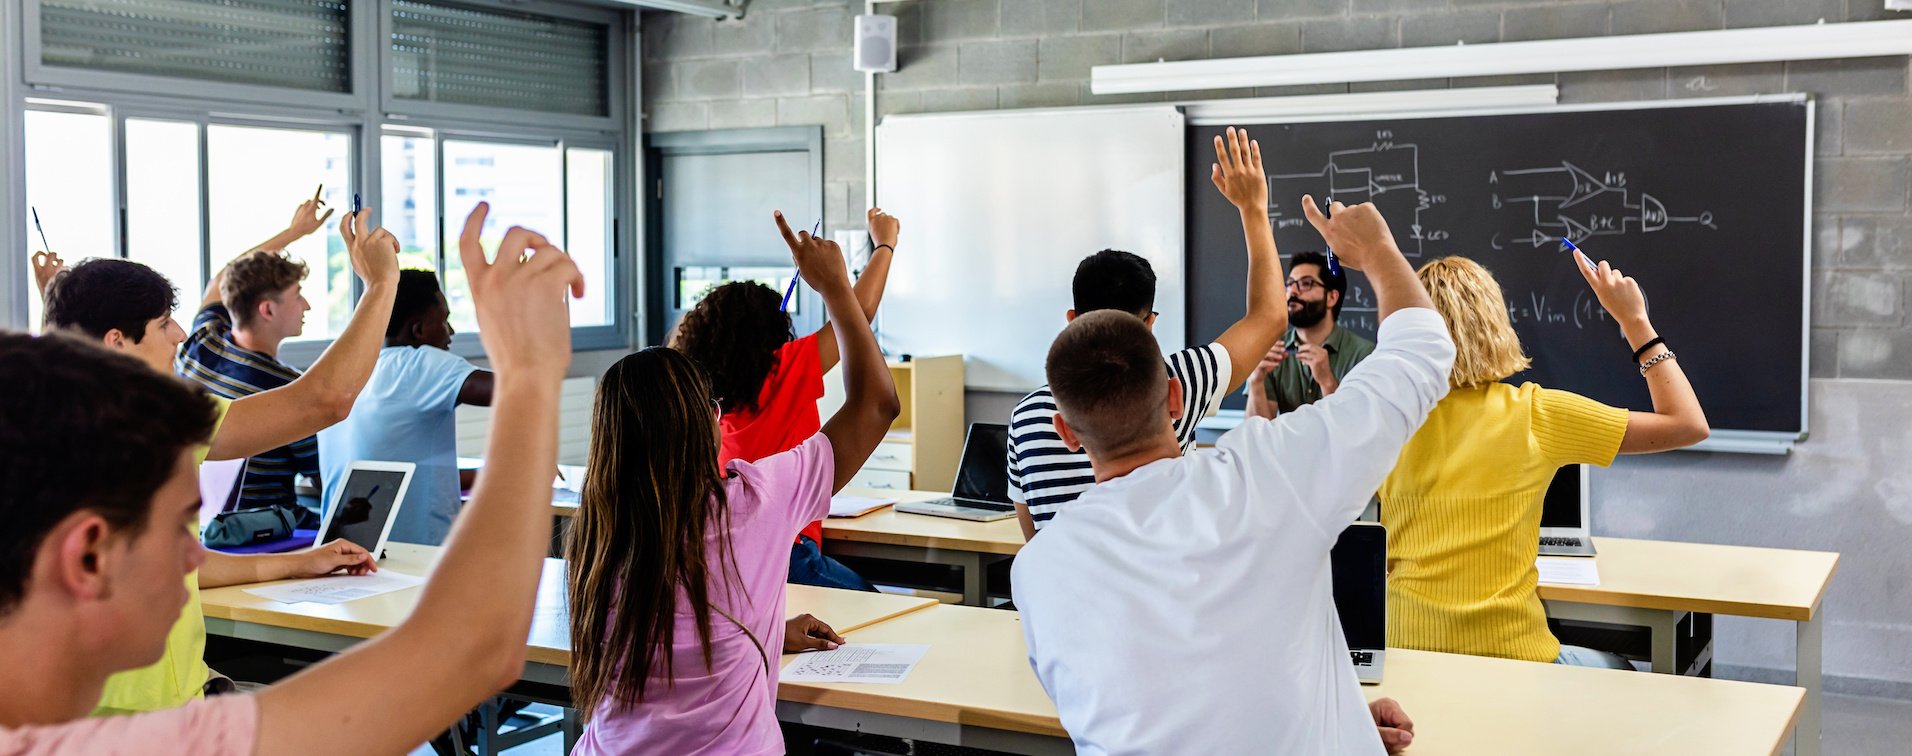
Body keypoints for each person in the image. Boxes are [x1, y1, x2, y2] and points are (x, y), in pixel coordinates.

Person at [0, 201, 590, 754]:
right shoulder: (146, 740)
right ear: (86, 558)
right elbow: (473, 648)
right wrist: (530, 371)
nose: (193, 557)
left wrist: (294, 562)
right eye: (180, 528)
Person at [1011, 173, 1451, 754]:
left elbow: (1165, 707)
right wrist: (1377, 251)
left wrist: (1331, 707)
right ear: (1175, 396)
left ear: (1065, 432)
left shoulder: (1039, 571)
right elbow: (1420, 353)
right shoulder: (1265, 478)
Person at [36, 210, 400, 714]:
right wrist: (382, 283)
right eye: (162, 324)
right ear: (116, 343)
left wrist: (297, 563)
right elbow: (326, 401)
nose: (180, 334)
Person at [567, 211, 898, 755]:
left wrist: (763, 629)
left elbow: (676, 623)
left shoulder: (597, 535)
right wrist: (839, 281)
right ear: (704, 420)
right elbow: (876, 402)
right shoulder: (753, 502)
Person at [1379, 253, 1708, 669]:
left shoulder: (1385, 420)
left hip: (1406, 654)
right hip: (1510, 658)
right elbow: (1687, 425)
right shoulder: (1535, 413)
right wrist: (1635, 323)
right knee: (1622, 671)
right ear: (1494, 325)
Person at [1006, 127, 1287, 540]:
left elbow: (1034, 539)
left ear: (1072, 318)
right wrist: (1253, 210)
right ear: (1150, 324)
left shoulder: (1026, 416)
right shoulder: (1176, 384)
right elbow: (1269, 316)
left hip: (1068, 600)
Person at [670, 208, 900, 591]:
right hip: (789, 552)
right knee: (884, 609)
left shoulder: (699, 389)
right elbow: (861, 312)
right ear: (773, 335)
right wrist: (885, 245)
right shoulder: (783, 368)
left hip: (730, 558)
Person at [174, 195, 335, 518]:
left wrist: (295, 232)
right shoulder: (289, 389)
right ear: (267, 309)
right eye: (298, 296)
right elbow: (324, 480)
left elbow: (223, 279)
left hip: (200, 525)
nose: (307, 306)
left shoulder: (202, 342)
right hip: (262, 534)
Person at [318, 270, 493, 545]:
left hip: (344, 554)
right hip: (416, 559)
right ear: (418, 329)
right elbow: (513, 388)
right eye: (445, 321)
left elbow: (401, 471)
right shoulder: (417, 365)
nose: (451, 333)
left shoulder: (343, 372)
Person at [1246, 249, 1376, 418]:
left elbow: (1360, 427)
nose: (1292, 292)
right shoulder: (1270, 353)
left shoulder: (1364, 355)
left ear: (1331, 298)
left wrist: (1327, 381)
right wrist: (1256, 381)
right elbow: (1257, 434)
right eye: (1290, 284)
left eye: (1306, 283)